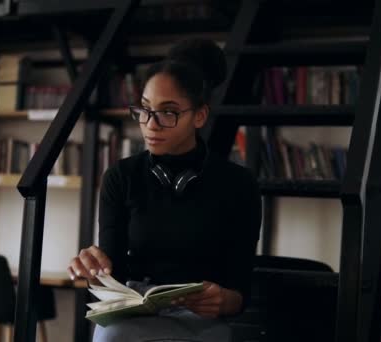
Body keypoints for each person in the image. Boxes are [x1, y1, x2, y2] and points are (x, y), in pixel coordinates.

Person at [68, 38, 261, 342]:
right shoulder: (121, 176)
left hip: (201, 318)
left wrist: (223, 299)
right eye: (145, 109)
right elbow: (112, 275)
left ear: (199, 116)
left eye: (167, 113)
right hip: (135, 309)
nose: (150, 124)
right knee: (111, 336)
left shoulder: (238, 184)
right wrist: (97, 269)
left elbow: (239, 292)